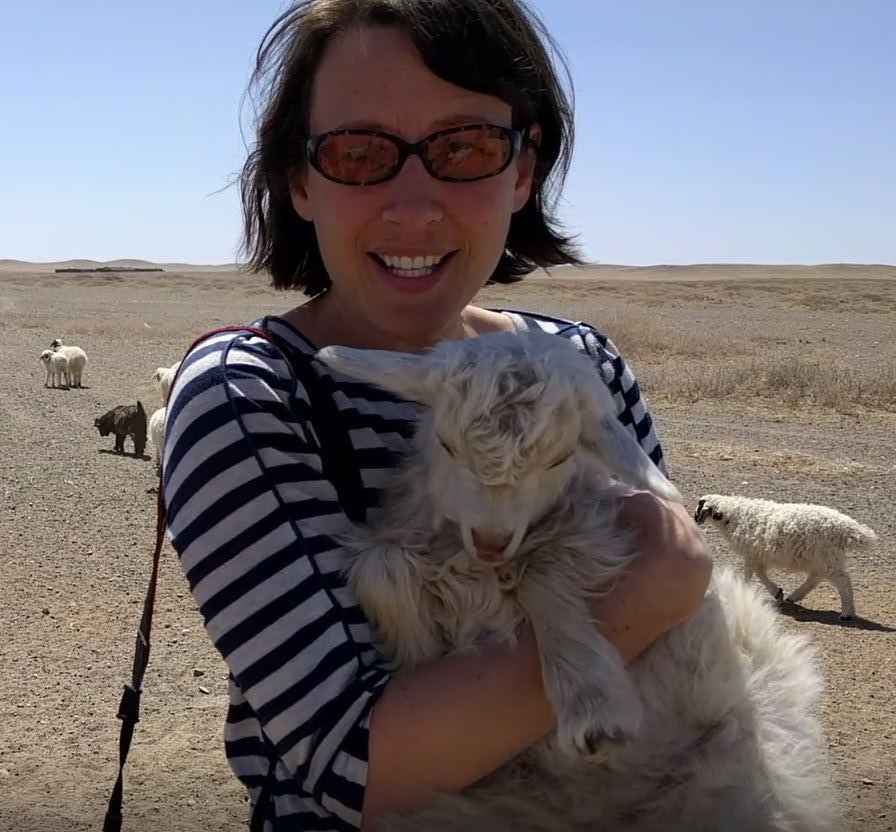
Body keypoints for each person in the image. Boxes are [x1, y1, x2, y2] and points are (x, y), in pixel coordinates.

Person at [162, 1, 713, 829]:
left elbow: (682, 665)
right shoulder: (248, 394)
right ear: (299, 181)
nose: (414, 209)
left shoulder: (581, 366)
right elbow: (355, 767)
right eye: (358, 153)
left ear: (523, 170)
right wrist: (639, 598)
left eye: (465, 147)